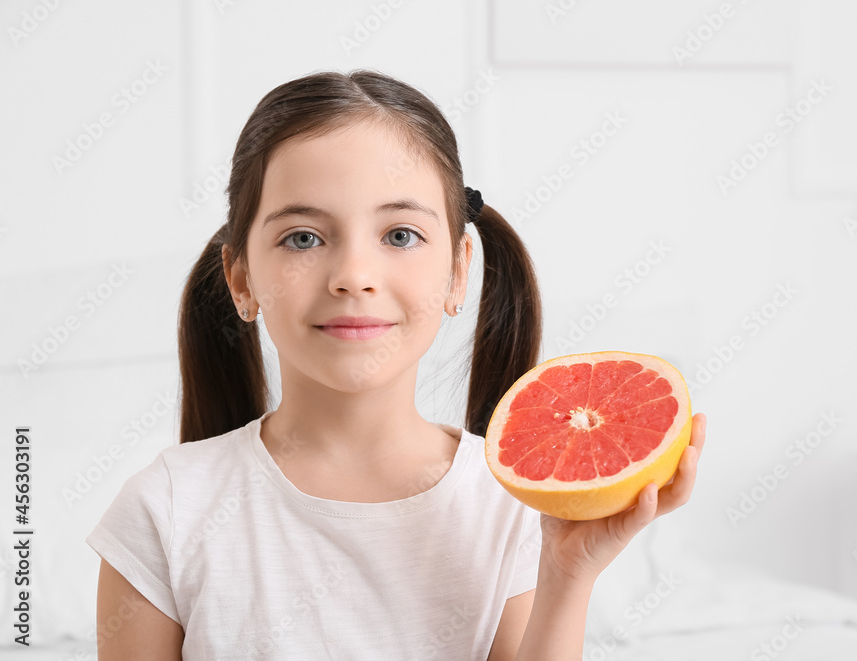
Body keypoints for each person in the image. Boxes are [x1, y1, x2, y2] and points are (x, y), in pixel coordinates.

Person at [86, 68, 707, 660]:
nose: (354, 276)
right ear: (241, 279)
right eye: (303, 237)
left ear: (460, 268)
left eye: (400, 235)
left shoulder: (512, 509)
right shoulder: (164, 510)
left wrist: (568, 575)